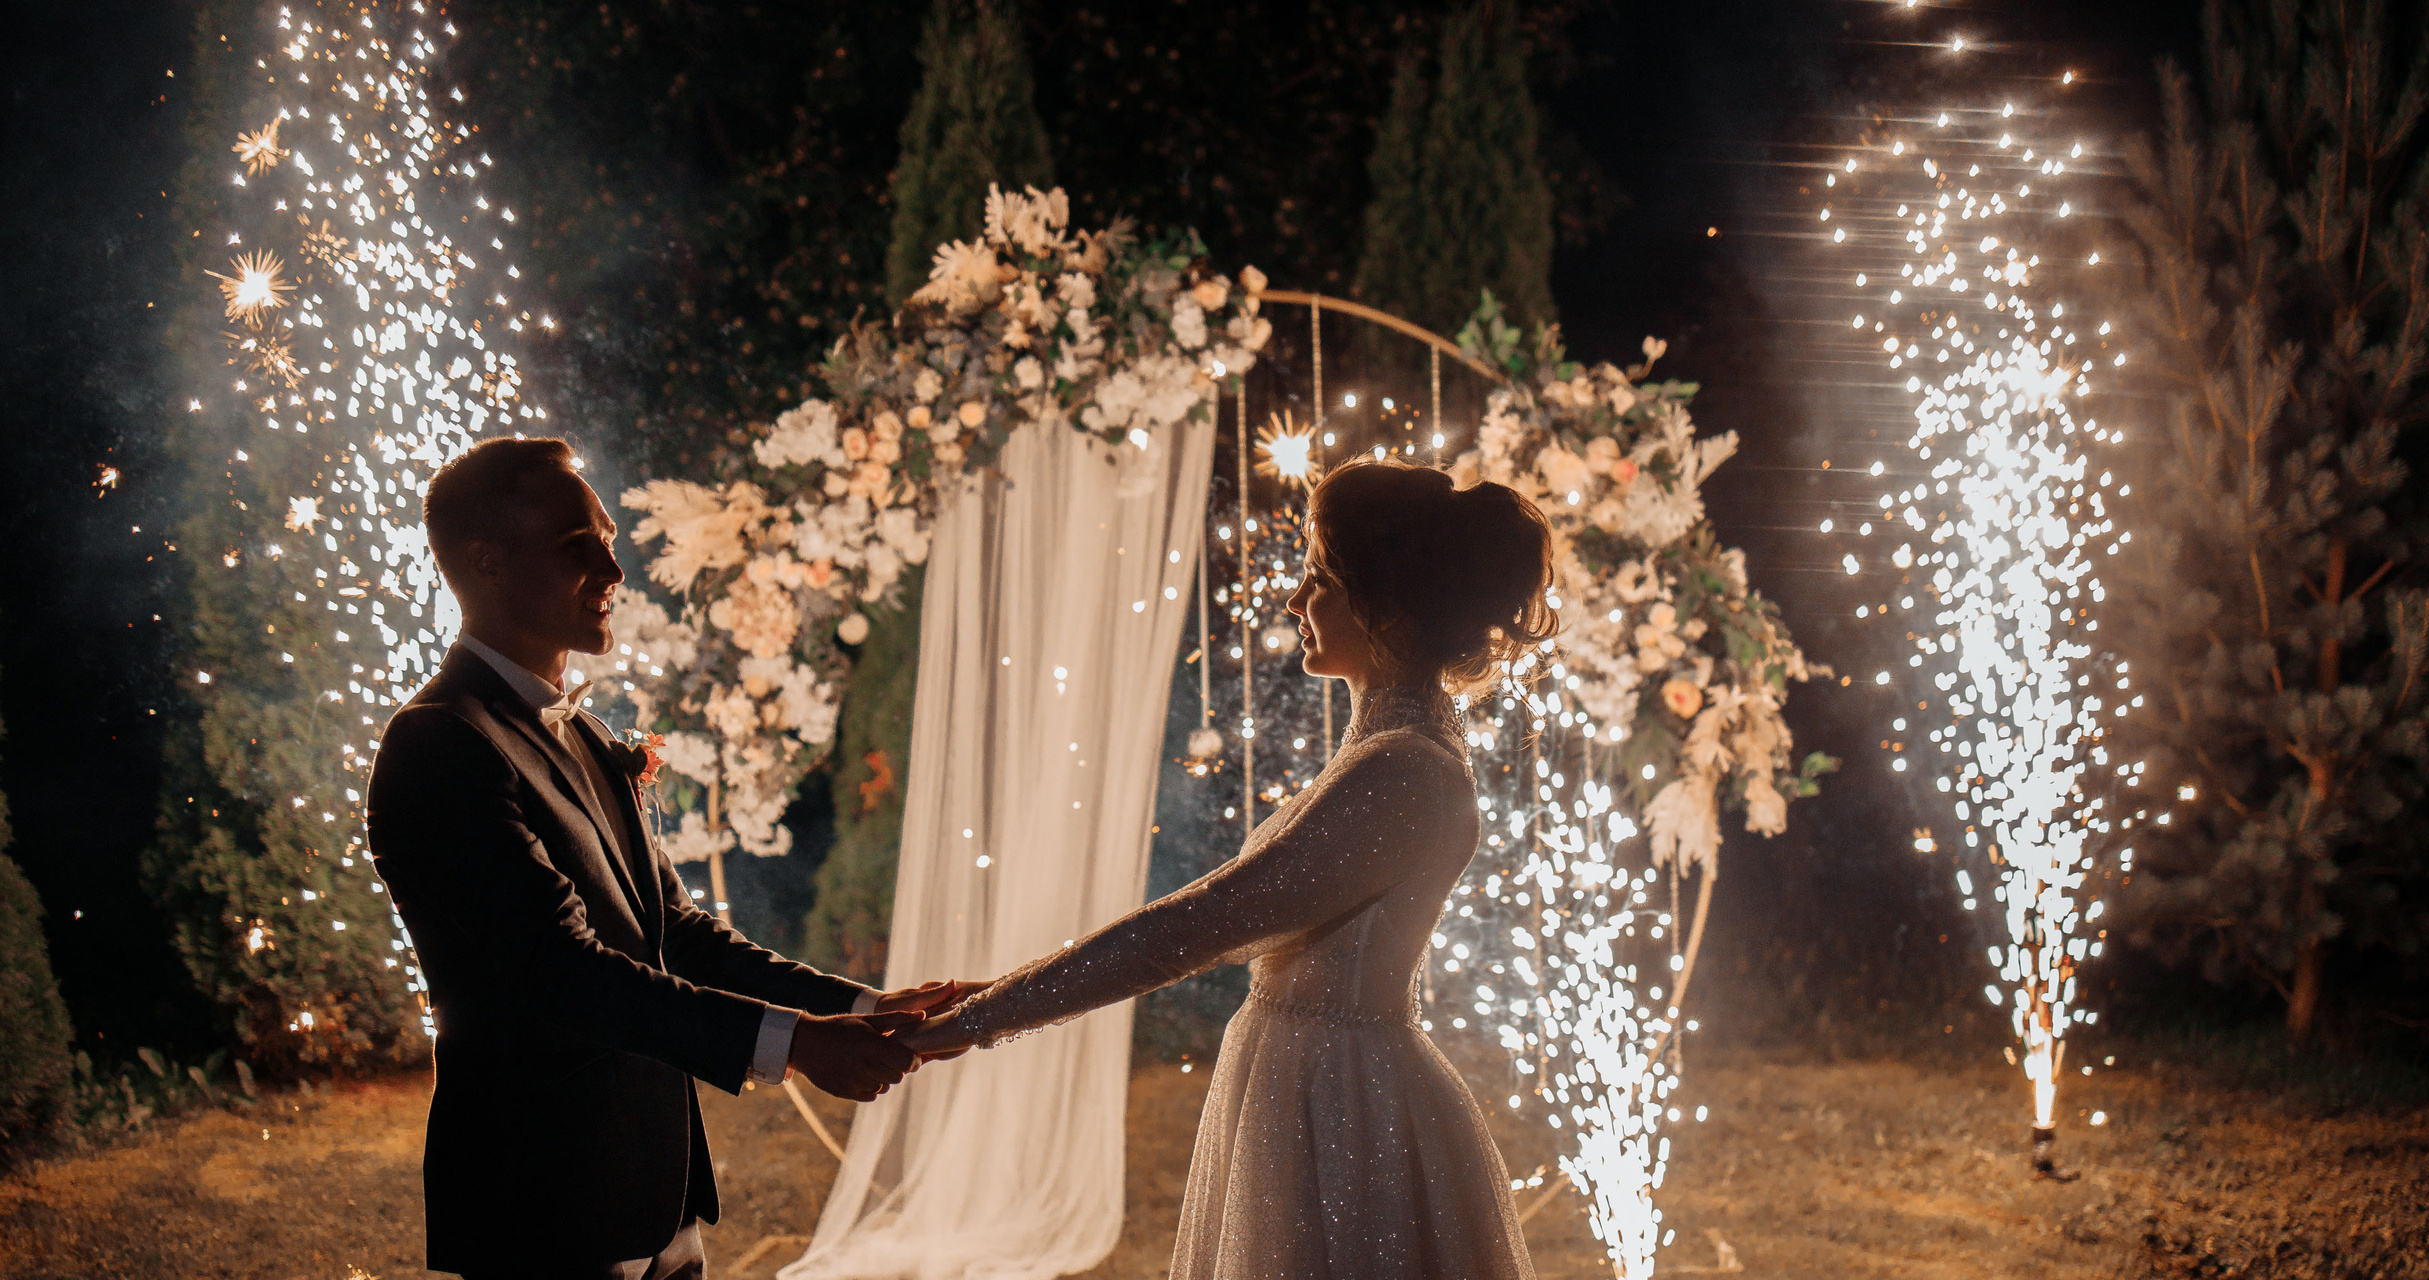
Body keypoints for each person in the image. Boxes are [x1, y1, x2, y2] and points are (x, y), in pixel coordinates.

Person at [898, 459, 1555, 1279]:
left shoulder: (1404, 770)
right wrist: (995, 998)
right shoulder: (1386, 749)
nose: (1294, 601)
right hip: (1307, 1079)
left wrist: (988, 1015)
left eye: (1320, 580)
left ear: (1387, 603)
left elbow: (1197, 927)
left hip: (1347, 1111)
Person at [367, 437, 967, 1280]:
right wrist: (796, 1045)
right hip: (541, 1205)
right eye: (577, 547)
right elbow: (561, 971)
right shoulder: (439, 744)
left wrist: (863, 1005)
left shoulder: (585, 733)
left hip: (657, 1190)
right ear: (486, 563)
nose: (614, 571)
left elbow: (676, 933)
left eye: (608, 539)